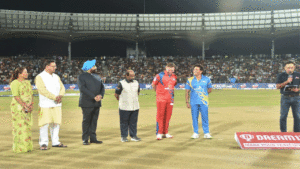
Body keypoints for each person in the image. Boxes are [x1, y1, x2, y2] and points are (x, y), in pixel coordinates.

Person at [35, 60, 66, 150]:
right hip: (45, 104)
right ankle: (43, 143)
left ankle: (55, 142)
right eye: (53, 66)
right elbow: (42, 90)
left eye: (55, 66)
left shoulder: (56, 76)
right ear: (47, 66)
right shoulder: (40, 77)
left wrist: (60, 95)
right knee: (44, 124)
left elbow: (62, 87)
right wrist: (54, 97)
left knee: (56, 123)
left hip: (57, 104)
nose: (55, 68)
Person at [78, 59, 105, 145]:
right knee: (86, 121)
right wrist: (94, 97)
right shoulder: (81, 76)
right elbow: (82, 89)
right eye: (94, 66)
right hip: (86, 102)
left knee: (94, 121)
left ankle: (93, 138)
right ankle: (85, 139)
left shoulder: (97, 76)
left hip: (97, 103)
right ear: (89, 67)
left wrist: (101, 95)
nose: (96, 67)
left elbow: (102, 88)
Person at [10, 67, 34, 153]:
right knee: (20, 127)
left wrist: (31, 104)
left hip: (28, 106)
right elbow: (16, 96)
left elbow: (31, 94)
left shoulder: (27, 82)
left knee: (27, 127)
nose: (27, 73)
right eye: (25, 72)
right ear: (19, 74)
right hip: (18, 108)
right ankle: (20, 148)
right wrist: (24, 105)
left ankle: (27, 147)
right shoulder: (15, 83)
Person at [185, 64, 213, 139]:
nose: (194, 71)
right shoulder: (190, 80)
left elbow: (210, 89)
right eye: (194, 69)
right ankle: (195, 132)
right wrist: (187, 102)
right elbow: (187, 91)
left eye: (196, 69)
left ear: (201, 71)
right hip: (193, 102)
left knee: (205, 117)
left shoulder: (207, 79)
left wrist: (203, 94)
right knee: (194, 117)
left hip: (204, 102)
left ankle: (206, 133)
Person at [152, 63, 177, 140]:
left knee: (168, 116)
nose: (170, 69)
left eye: (172, 67)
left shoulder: (174, 77)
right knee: (160, 115)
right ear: (166, 68)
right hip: (161, 99)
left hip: (170, 99)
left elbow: (173, 86)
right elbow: (153, 85)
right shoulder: (159, 75)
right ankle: (159, 133)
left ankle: (165, 132)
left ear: (174, 69)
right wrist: (159, 94)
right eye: (169, 67)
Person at [115, 70, 141, 142]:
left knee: (133, 122)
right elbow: (116, 94)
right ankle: (123, 137)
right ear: (126, 75)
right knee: (124, 123)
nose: (133, 77)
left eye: (133, 75)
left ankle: (133, 136)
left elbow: (138, 92)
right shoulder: (121, 83)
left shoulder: (136, 83)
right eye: (131, 76)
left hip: (135, 106)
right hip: (124, 107)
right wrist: (122, 101)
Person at [276, 61, 300, 132]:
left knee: (297, 116)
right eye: (288, 68)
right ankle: (283, 133)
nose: (290, 69)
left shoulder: (298, 75)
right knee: (283, 116)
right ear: (285, 68)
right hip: (285, 98)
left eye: (292, 68)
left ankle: (297, 133)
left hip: (296, 98)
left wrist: (298, 89)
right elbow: (277, 86)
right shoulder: (281, 75)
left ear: (294, 68)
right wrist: (287, 81)